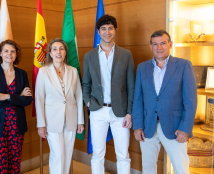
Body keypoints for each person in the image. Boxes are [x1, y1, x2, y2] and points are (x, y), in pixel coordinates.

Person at [132, 30, 197, 174]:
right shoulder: (142, 68)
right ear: (150, 46)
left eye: (162, 43)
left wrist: (185, 128)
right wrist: (137, 126)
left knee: (181, 167)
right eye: (155, 44)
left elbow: (190, 100)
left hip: (175, 128)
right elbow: (137, 99)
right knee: (148, 168)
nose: (159, 47)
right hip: (148, 126)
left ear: (170, 44)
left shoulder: (184, 65)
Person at [82, 15, 135, 174]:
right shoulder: (89, 56)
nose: (107, 32)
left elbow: (131, 85)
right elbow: (86, 83)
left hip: (120, 112)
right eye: (103, 29)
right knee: (97, 154)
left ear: (115, 30)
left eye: (110, 28)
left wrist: (129, 112)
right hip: (97, 110)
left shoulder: (126, 55)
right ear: (98, 31)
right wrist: (88, 102)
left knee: (123, 155)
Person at [35, 38, 84, 174]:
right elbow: (39, 98)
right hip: (52, 121)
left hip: (71, 120)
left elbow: (79, 97)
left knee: (67, 154)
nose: (58, 52)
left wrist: (80, 121)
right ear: (50, 53)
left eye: (61, 49)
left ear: (65, 52)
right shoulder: (43, 72)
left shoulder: (73, 71)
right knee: (57, 155)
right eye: (55, 49)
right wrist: (41, 124)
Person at [0, 40, 32, 174]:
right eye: (6, 51)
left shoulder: (22, 74)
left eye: (12, 51)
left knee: (15, 162)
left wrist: (6, 96)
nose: (9, 54)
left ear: (16, 54)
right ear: (0, 53)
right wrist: (17, 97)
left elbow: (28, 100)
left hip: (16, 125)